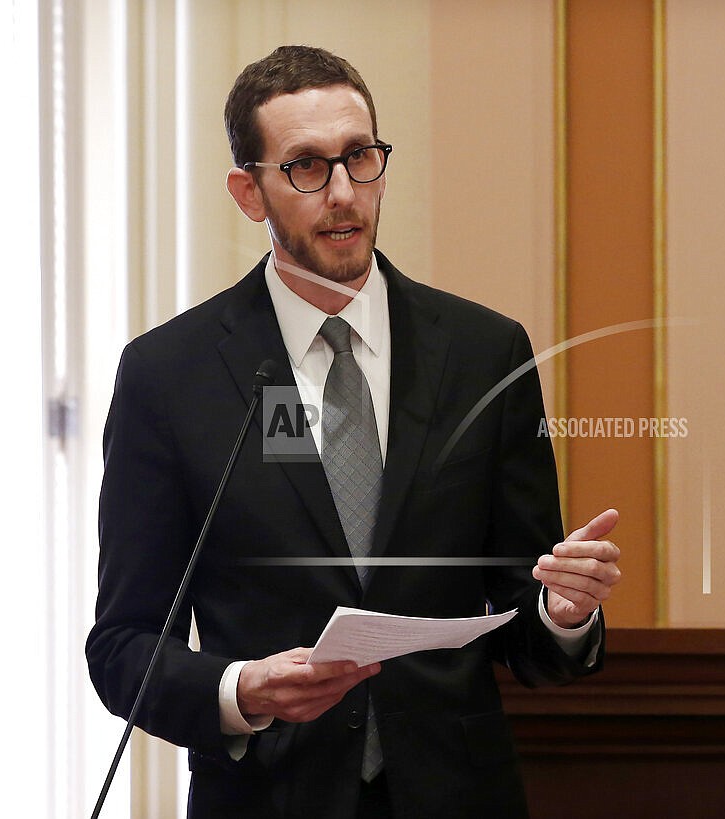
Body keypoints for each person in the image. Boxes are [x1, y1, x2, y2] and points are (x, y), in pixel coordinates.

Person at [87, 45, 621, 819]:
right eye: (306, 167)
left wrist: (564, 613)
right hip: (270, 794)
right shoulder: (172, 376)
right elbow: (123, 644)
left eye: (360, 158)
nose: (344, 193)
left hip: (455, 795)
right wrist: (241, 688)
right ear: (249, 191)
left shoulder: (483, 355)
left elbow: (523, 628)